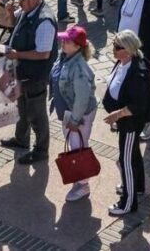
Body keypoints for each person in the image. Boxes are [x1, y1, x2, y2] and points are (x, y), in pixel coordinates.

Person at [0, 0, 58, 165]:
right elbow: (11, 23)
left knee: (37, 114)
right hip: (22, 72)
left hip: (36, 75)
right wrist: (9, 13)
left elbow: (43, 53)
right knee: (22, 108)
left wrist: (18, 54)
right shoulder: (27, 10)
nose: (20, 4)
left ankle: (41, 150)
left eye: (23, 0)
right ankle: (21, 139)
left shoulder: (44, 20)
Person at [102, 31, 150, 216]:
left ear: (129, 50)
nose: (113, 49)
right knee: (133, 155)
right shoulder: (124, 62)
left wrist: (117, 115)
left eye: (117, 47)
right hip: (124, 122)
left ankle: (128, 202)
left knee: (126, 161)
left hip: (130, 123)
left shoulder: (137, 73)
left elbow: (138, 105)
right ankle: (137, 186)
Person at [50, 25, 98, 202]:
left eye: (67, 41)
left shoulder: (78, 68)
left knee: (79, 149)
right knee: (74, 145)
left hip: (80, 114)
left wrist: (76, 119)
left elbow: (82, 98)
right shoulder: (65, 57)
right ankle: (79, 180)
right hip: (69, 112)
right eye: (63, 39)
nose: (63, 42)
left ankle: (83, 184)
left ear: (77, 46)